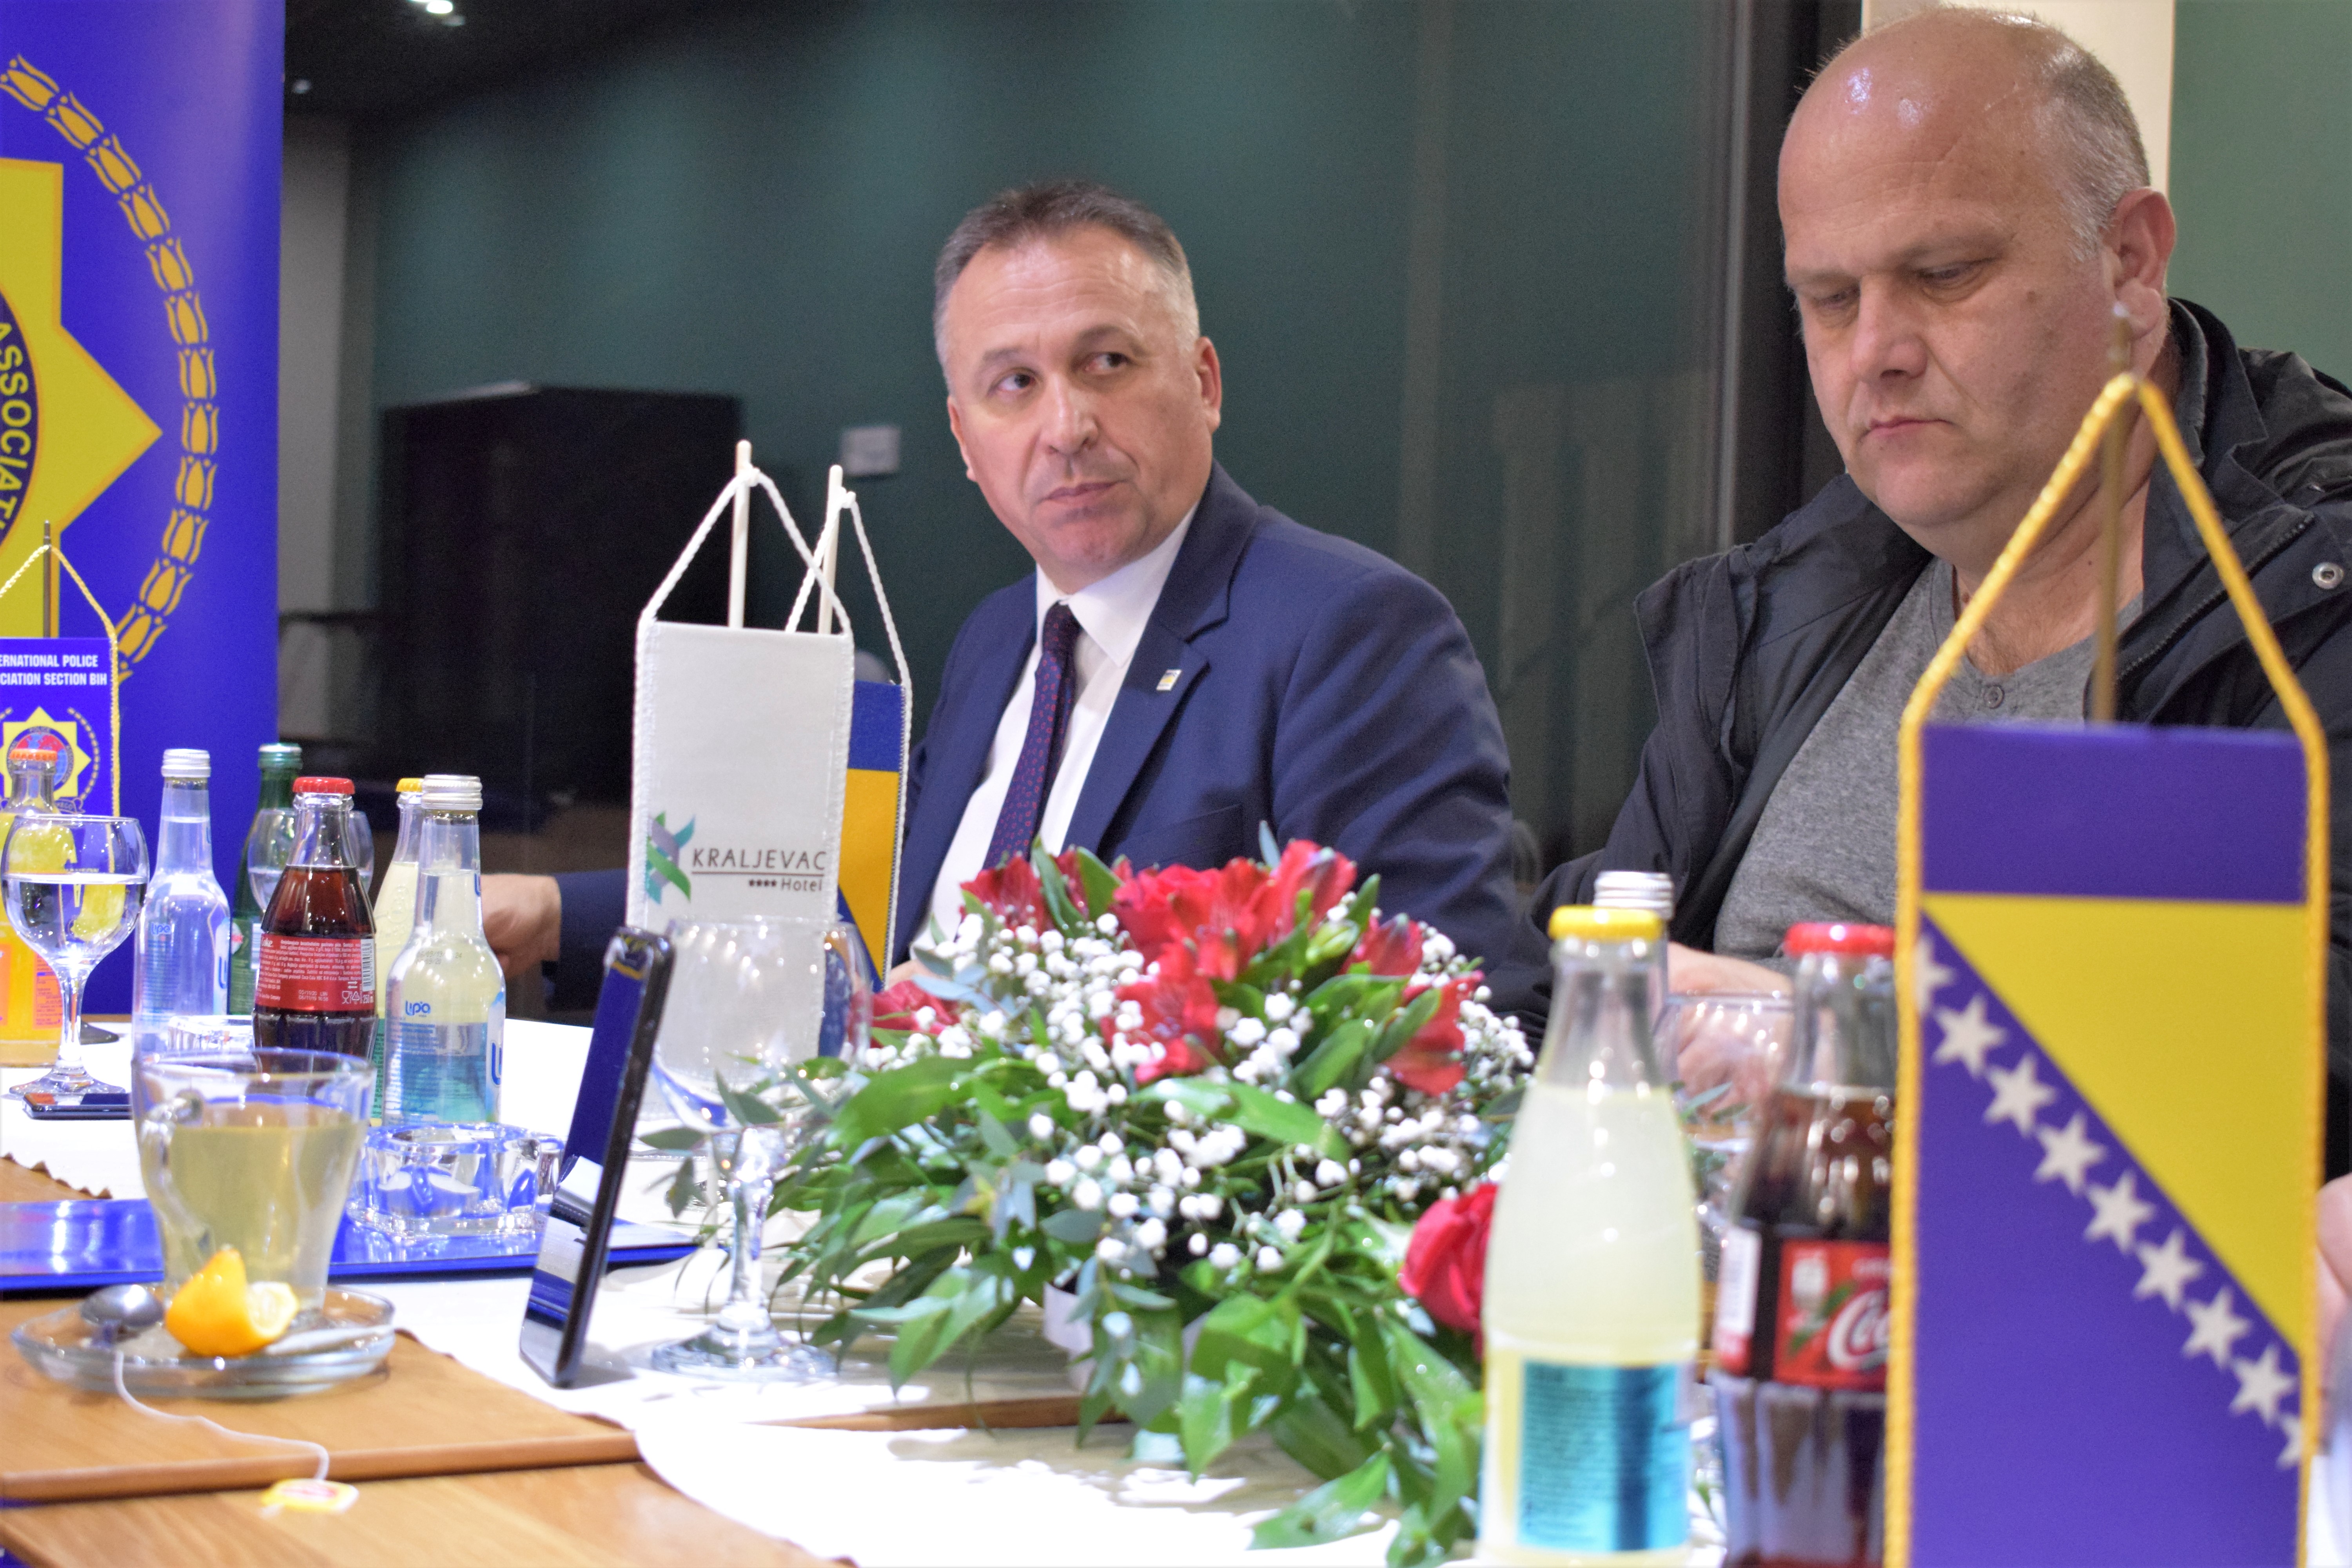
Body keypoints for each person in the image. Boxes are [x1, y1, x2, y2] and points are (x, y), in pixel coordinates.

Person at [1526, 8, 2352, 1170]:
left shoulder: (2314, 586)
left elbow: (2308, 1052)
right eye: (1830, 299)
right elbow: (1579, 978)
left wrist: (1829, 1042)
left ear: (2130, 262)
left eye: (1944, 274)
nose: (1877, 350)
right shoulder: (1778, 612)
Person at [486, 181, 1540, 1013]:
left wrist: (1022, 1049)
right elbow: (862, 901)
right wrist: (551, 911)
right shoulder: (1000, 639)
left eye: (1108, 362)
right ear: (964, 437)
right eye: (1015, 384)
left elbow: (1453, 1013)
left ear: (1205, 382)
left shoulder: (1350, 631)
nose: (1067, 426)